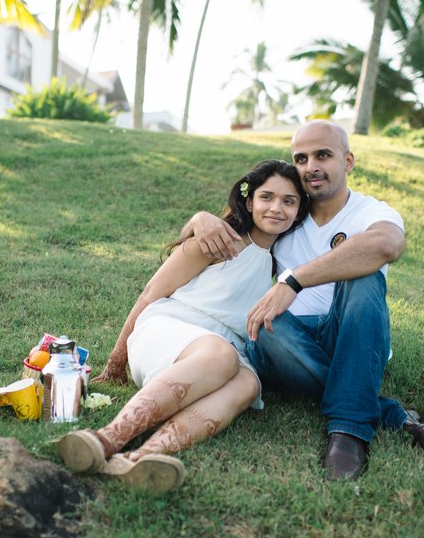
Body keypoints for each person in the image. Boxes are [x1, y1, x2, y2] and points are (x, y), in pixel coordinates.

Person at [188, 120, 424, 481]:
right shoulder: (287, 215)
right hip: (288, 342)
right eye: (301, 158)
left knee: (365, 273)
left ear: (348, 161)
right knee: (262, 324)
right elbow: (227, 229)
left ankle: (349, 431)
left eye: (323, 155)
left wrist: (293, 280)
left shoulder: (371, 211)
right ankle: (386, 412)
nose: (310, 167)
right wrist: (199, 219)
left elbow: (386, 245)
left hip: (351, 332)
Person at [55, 160, 310, 493]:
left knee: (248, 385)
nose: (277, 208)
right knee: (221, 356)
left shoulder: (281, 261)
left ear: (298, 209)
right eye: (267, 197)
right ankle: (105, 439)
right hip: (171, 327)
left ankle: (141, 458)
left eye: (289, 201)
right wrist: (116, 362)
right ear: (250, 202)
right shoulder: (218, 239)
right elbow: (151, 293)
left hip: (224, 347)